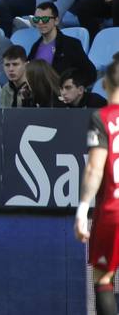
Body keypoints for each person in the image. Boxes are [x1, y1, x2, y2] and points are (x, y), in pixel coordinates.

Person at [75, 56, 119, 315]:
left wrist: (82, 209)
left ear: (104, 85)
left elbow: (94, 167)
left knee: (103, 280)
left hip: (112, 211)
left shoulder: (102, 117)